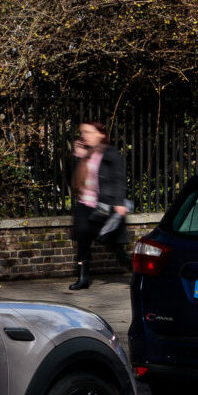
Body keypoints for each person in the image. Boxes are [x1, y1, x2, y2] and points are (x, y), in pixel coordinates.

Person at [69, 119, 132, 290]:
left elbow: (118, 178)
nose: (85, 136)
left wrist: (119, 203)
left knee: (115, 247)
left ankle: (137, 273)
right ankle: (83, 279)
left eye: (88, 132)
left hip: (105, 207)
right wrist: (78, 156)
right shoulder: (85, 153)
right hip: (84, 205)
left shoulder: (109, 153)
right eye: (83, 133)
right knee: (82, 242)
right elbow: (77, 179)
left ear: (100, 134)